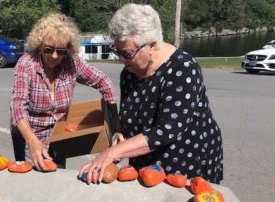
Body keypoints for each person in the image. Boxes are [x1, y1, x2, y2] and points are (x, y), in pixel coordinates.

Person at [79, 4, 223, 184]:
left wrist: (112, 152)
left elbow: (167, 130)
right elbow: (129, 113)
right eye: (118, 52)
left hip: (185, 158)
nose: (121, 59)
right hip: (144, 155)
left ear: (152, 45)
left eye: (127, 53)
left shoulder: (183, 69)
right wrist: (120, 130)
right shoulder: (129, 72)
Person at [10, 13, 118, 171]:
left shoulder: (72, 63)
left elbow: (103, 81)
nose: (54, 56)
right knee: (34, 185)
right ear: (39, 45)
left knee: (57, 177)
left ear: (68, 49)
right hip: (29, 138)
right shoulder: (26, 65)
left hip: (59, 138)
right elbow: (18, 106)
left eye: (60, 51)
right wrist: (32, 140)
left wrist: (115, 124)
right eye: (48, 49)